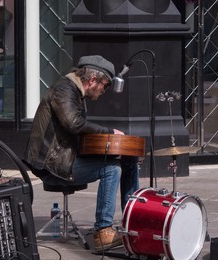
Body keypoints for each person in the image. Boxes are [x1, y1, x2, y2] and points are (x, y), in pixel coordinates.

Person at [23, 55, 139, 252]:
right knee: (111, 169)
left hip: (66, 157)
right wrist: (109, 132)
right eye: (105, 85)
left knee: (128, 160)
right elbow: (73, 123)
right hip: (52, 164)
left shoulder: (74, 92)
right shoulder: (64, 89)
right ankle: (103, 231)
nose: (104, 91)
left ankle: (132, 222)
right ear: (93, 80)